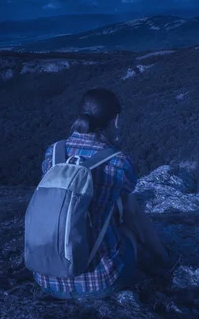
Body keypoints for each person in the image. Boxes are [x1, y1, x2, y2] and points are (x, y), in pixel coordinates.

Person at [32, 88, 177, 300]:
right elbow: (133, 214)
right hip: (99, 282)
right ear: (116, 120)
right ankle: (156, 265)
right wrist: (164, 256)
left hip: (45, 276)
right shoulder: (118, 162)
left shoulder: (53, 152)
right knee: (128, 228)